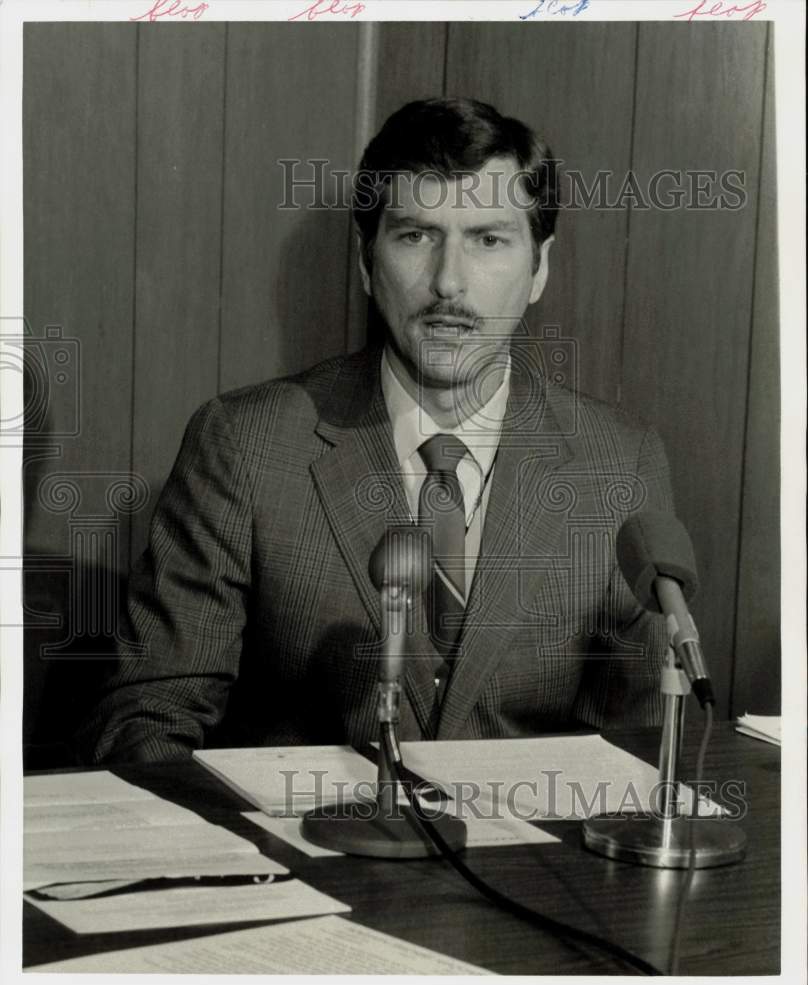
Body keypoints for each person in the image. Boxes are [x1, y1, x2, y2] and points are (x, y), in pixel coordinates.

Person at [78, 98, 674, 764]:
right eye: (416, 236)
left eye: (489, 239)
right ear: (367, 262)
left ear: (539, 268)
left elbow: (640, 748)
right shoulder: (245, 445)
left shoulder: (618, 462)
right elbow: (145, 719)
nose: (449, 282)